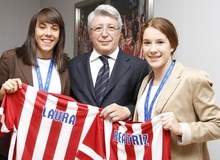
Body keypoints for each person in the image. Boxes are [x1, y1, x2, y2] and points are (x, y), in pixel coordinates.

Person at [133, 17, 220, 159]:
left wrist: (182, 129)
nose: (153, 49)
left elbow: (217, 125)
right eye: (147, 43)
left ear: (172, 45)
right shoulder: (145, 81)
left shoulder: (193, 78)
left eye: (160, 42)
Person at [0, 7, 70, 159]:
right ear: (33, 30)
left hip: (51, 146)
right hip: (17, 145)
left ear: (60, 34)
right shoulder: (11, 58)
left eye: (54, 28)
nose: (48, 34)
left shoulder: (66, 64)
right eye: (42, 27)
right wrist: (2, 93)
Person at [68, 4, 150, 122]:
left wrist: (128, 111)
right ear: (90, 34)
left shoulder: (138, 67)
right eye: (98, 28)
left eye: (111, 28)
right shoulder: (73, 66)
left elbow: (145, 105)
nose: (105, 34)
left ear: (120, 33)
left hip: (118, 138)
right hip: (81, 137)